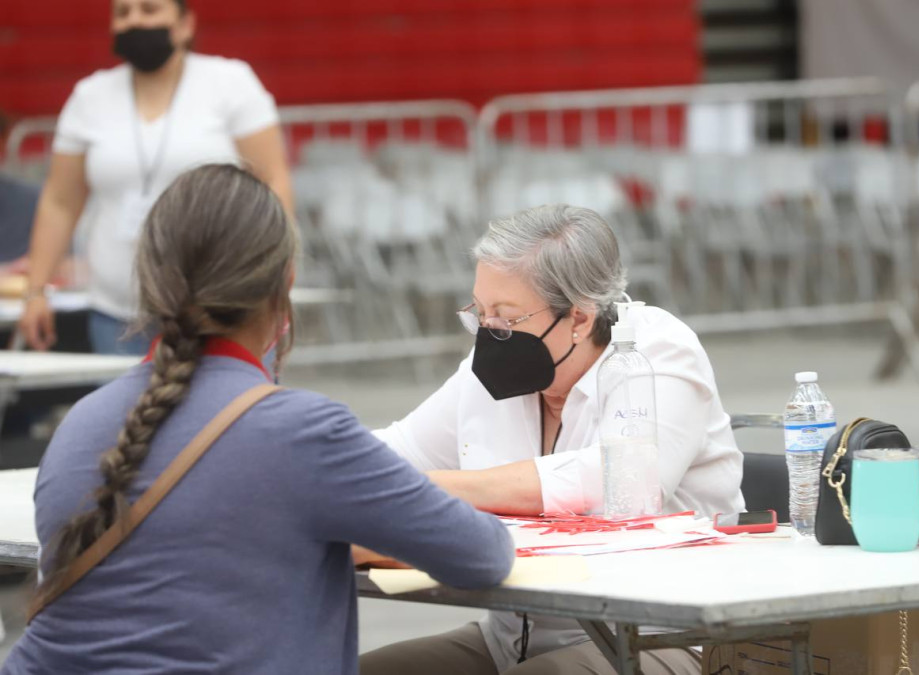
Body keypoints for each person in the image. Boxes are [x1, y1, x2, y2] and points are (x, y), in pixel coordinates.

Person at [0, 165, 513, 675]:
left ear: (150, 283)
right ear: (285, 282)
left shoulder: (82, 423)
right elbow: (483, 555)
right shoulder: (303, 432)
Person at [361, 204, 745, 675]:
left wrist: (434, 490)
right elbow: (396, 451)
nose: (488, 334)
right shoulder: (488, 372)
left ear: (580, 318)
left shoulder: (657, 353)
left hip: (658, 637)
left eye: (505, 317)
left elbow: (615, 480)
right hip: (510, 640)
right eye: (479, 314)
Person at [18, 0, 293, 355]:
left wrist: (277, 270)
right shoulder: (89, 97)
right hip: (118, 315)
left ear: (185, 24)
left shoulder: (231, 84)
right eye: (123, 12)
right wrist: (36, 291)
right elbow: (60, 201)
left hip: (225, 310)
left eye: (149, 10)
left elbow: (273, 181)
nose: (135, 20)